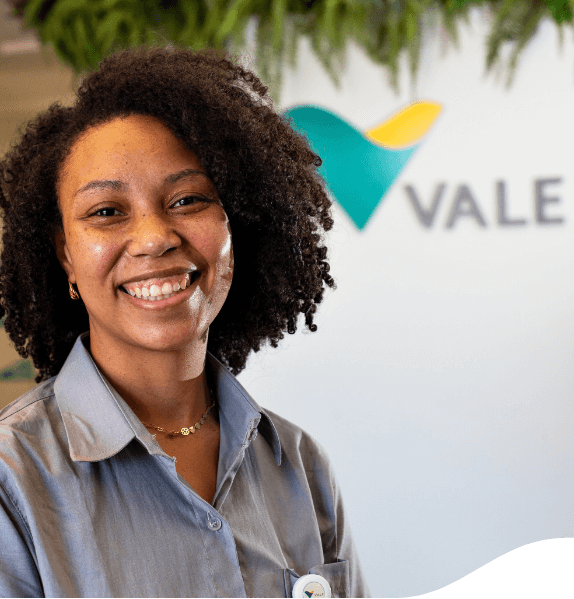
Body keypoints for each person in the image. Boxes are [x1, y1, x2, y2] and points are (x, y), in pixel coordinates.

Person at [0, 46, 370, 598]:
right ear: (65, 258)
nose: (154, 237)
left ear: (236, 224)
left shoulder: (300, 466)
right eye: (106, 212)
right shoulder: (12, 483)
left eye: (188, 199)